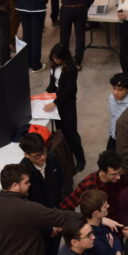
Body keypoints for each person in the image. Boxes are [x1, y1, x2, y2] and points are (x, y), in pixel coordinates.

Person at [44, 43, 85, 172]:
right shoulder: (54, 66)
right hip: (56, 101)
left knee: (71, 133)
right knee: (61, 132)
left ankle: (80, 159)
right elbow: (52, 83)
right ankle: (66, 157)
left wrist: (55, 102)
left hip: (67, 104)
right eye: (53, 58)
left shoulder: (71, 69)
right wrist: (46, 94)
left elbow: (68, 91)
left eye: (57, 58)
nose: (54, 60)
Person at [80, 189, 125, 255]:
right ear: (96, 212)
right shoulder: (94, 240)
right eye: (105, 206)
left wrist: (118, 253)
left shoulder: (100, 223)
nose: (108, 206)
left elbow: (114, 238)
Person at [60, 150, 128, 210]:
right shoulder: (88, 185)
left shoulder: (122, 176)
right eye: (114, 174)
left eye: (119, 172)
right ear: (103, 172)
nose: (118, 177)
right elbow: (65, 206)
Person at [20, 132, 67, 210]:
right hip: (41, 212)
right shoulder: (23, 171)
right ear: (27, 155)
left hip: (59, 205)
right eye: (37, 156)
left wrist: (64, 202)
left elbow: (63, 180)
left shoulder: (53, 159)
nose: (43, 157)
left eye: (44, 152)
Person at [106, 73, 128, 152]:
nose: (115, 93)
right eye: (114, 88)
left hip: (127, 140)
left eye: (120, 90)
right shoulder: (111, 98)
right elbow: (113, 117)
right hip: (113, 136)